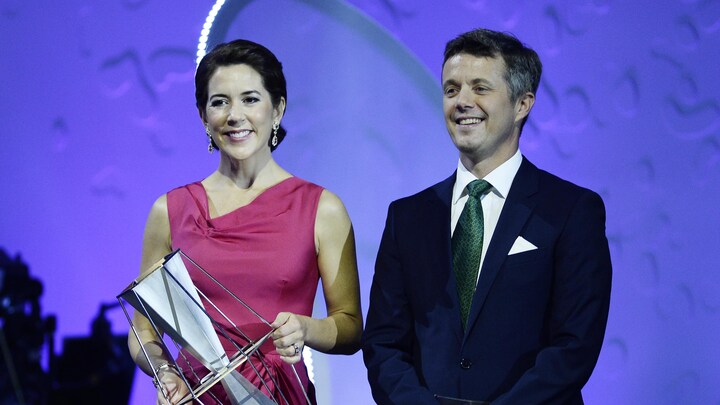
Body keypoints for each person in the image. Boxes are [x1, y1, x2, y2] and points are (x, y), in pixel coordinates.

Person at [362, 28, 612, 404]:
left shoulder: (571, 210)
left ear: (522, 104)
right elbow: (383, 344)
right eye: (451, 89)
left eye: (480, 88)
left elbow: (574, 347)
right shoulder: (408, 216)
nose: (462, 102)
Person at [127, 39, 363, 405]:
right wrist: (166, 372)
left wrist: (306, 328)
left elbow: (350, 326)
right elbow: (143, 327)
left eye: (250, 99)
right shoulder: (169, 210)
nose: (234, 115)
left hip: (280, 395)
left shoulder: (321, 208)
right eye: (219, 102)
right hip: (197, 397)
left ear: (278, 108)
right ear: (204, 117)